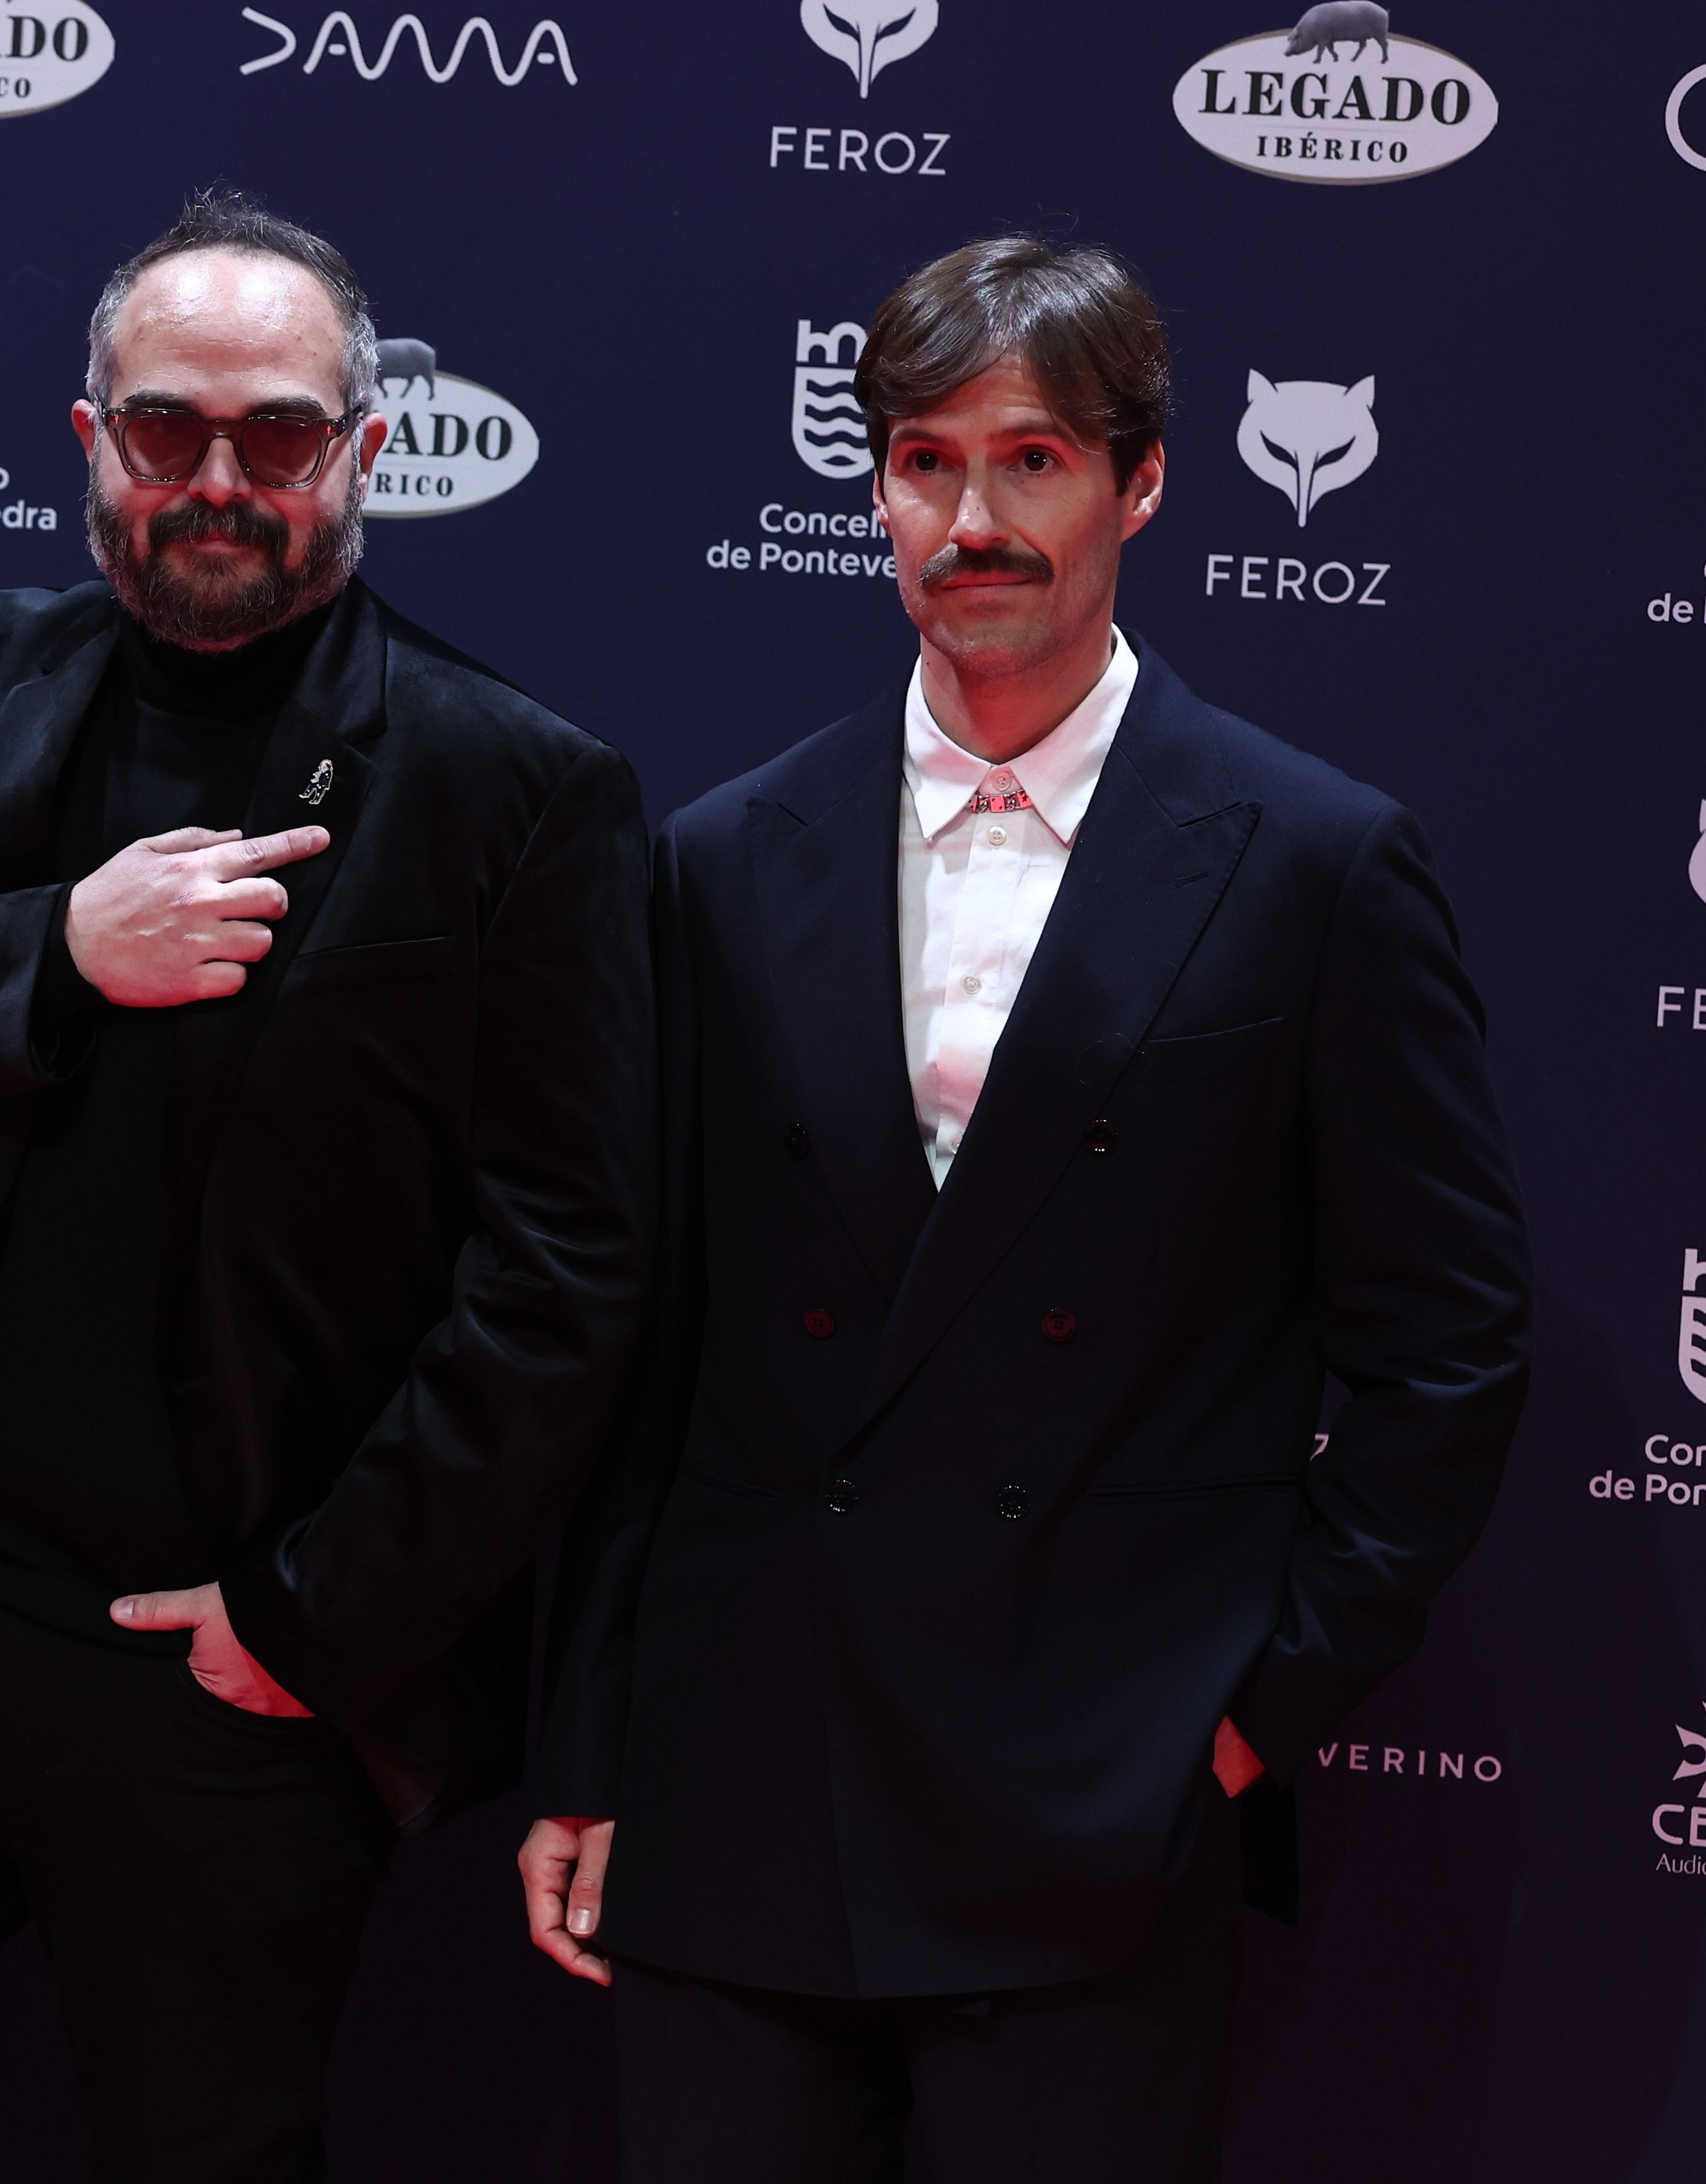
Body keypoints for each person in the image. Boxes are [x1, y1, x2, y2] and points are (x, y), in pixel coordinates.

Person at [0, 190, 654, 2184]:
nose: (217, 480)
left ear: (366, 454)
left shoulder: (514, 787)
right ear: (88, 439)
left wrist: (303, 1620)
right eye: (166, 427)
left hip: (227, 1683)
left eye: (276, 435)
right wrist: (48, 956)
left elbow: (570, 1274)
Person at [522, 237, 1531, 2182]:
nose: (971, 521)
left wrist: (1242, 1719)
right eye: (922, 462)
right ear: (877, 487)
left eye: (1034, 461)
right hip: (744, 1772)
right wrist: (590, 1745)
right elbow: (640, 1349)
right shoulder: (725, 858)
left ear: (1143, 480)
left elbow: (1444, 1340)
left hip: (1096, 1787)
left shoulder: (1315, 862)